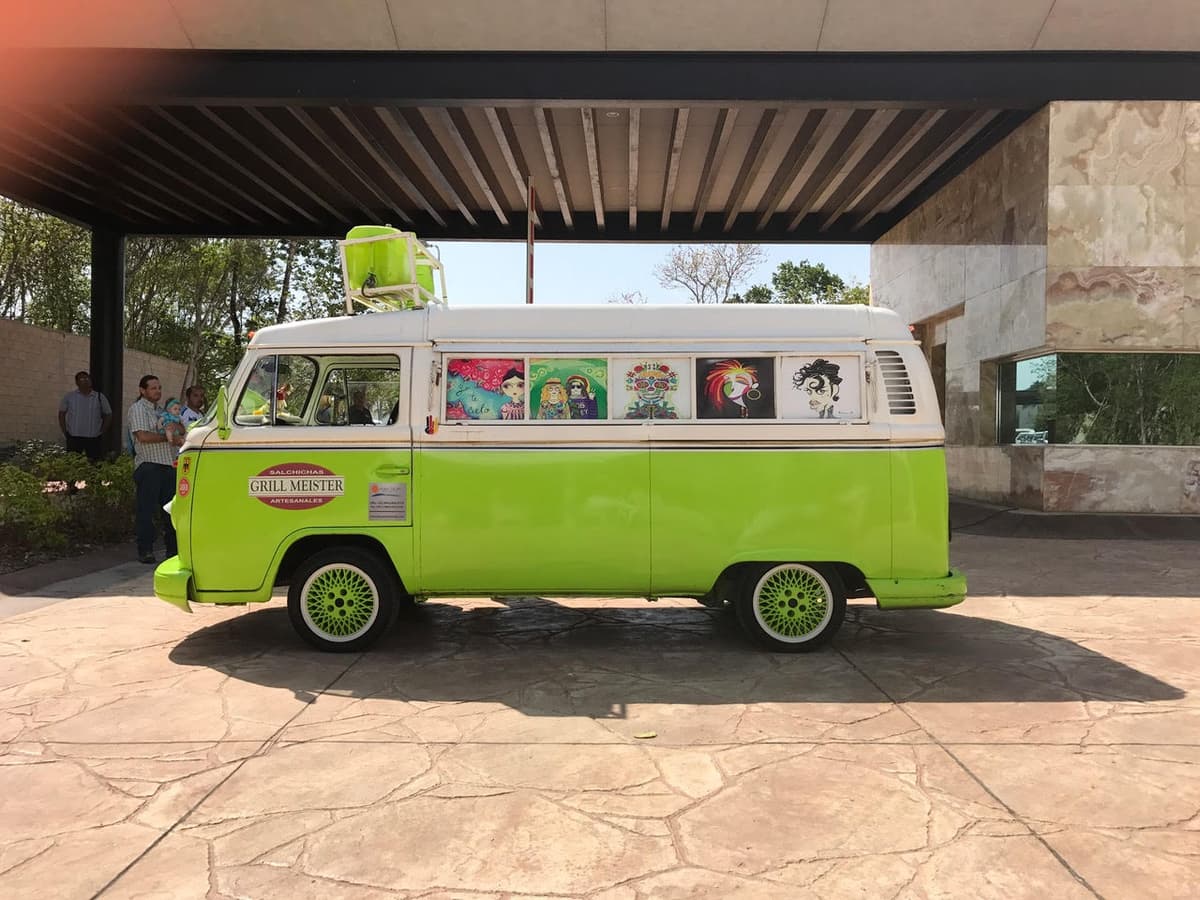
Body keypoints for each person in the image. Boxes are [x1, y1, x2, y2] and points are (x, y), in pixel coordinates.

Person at [128, 375, 178, 565]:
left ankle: (172, 550)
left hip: (167, 465)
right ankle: (145, 550)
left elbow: (177, 429)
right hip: (149, 465)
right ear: (142, 390)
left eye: (159, 388)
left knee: (171, 511)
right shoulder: (138, 409)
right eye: (153, 388)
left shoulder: (163, 411)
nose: (157, 391)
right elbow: (143, 436)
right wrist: (168, 437)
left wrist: (176, 430)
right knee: (146, 511)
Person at [58, 371, 112, 462]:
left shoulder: (99, 397)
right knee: (73, 463)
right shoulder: (70, 397)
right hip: (74, 437)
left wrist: (102, 430)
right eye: (82, 379)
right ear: (77, 382)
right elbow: (61, 413)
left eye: (87, 378)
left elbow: (108, 414)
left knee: (94, 464)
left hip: (93, 438)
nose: (86, 381)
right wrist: (65, 431)